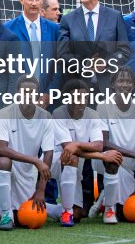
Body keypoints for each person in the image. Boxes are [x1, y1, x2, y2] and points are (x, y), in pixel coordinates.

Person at [0, 77, 55, 230]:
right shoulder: (5, 112)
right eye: (24, 92)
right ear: (17, 94)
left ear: (38, 96)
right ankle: (5, 216)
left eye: (32, 93)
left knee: (22, 216)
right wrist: (35, 161)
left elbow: (48, 154)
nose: (28, 96)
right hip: (4, 162)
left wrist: (41, 189)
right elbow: (2, 149)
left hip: (26, 169)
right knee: (4, 161)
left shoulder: (46, 117)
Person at [52, 78, 121, 226]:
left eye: (84, 97)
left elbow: (98, 145)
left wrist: (77, 144)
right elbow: (67, 149)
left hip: (81, 159)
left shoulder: (93, 114)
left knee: (112, 161)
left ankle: (109, 209)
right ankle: (65, 212)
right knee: (71, 157)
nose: (81, 101)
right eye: (77, 97)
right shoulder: (58, 113)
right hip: (59, 160)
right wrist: (102, 155)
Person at [96, 67, 135, 224]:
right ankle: (109, 209)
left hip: (132, 162)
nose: (125, 84)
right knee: (121, 213)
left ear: (134, 86)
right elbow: (105, 143)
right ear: (113, 84)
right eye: (121, 80)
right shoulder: (103, 107)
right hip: (109, 159)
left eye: (128, 81)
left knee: (130, 214)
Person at [59, 0, 130, 91]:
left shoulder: (115, 16)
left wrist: (106, 63)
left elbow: (124, 51)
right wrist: (85, 63)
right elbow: (63, 54)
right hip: (78, 87)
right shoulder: (68, 19)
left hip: (109, 85)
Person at [5, 0, 61, 94]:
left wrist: (49, 93)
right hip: (18, 97)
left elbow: (59, 64)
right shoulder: (7, 29)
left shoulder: (54, 29)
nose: (34, 3)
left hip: (48, 98)